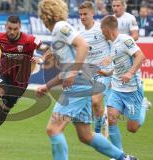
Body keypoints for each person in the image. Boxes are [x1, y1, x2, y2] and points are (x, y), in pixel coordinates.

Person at [37, 0, 137, 160]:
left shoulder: (60, 27)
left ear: (48, 15)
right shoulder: (58, 32)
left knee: (53, 129)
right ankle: (124, 158)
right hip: (81, 82)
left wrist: (74, 72)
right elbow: (67, 69)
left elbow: (82, 46)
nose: (41, 17)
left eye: (42, 14)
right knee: (85, 135)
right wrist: (48, 86)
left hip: (78, 84)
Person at [0, 15, 47, 147]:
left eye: (15, 29)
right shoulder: (0, 37)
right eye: (9, 28)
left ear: (20, 28)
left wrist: (42, 59)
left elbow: (48, 49)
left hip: (20, 82)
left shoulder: (30, 40)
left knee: (5, 108)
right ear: (6, 26)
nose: (12, 32)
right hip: (4, 75)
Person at [100, 15, 146, 159]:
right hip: (117, 90)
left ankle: (144, 105)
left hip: (132, 90)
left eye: (102, 30)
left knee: (132, 128)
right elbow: (119, 66)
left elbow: (140, 56)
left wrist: (130, 73)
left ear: (107, 29)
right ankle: (119, 155)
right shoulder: (113, 45)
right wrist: (107, 73)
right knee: (112, 119)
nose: (102, 33)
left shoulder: (126, 40)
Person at [78, 1, 112, 136]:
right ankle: (102, 122)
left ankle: (97, 133)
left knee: (95, 100)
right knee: (94, 106)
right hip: (89, 73)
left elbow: (116, 44)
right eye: (80, 14)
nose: (82, 17)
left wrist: (111, 58)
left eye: (85, 14)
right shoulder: (79, 34)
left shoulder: (101, 29)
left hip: (104, 72)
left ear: (92, 13)